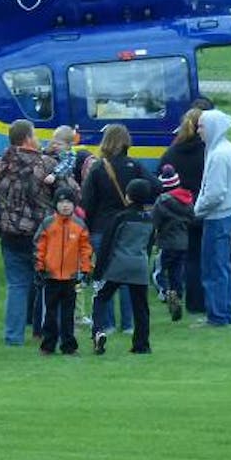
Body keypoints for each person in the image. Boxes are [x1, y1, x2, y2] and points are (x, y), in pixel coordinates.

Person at [79, 123, 153, 335]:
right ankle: (128, 324)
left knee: (105, 277)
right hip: (130, 225)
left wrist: (89, 226)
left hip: (102, 227)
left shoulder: (99, 167)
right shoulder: (135, 165)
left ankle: (107, 323)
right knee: (129, 276)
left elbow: (87, 201)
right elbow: (155, 185)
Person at [0, 118, 57, 346]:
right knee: (49, 285)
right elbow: (71, 192)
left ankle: (13, 336)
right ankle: (48, 333)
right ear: (28, 138)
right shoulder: (46, 164)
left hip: (10, 233)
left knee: (17, 286)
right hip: (41, 233)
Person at [91, 178, 157, 354]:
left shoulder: (120, 217)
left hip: (117, 265)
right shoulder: (149, 219)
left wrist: (98, 271)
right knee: (141, 307)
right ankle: (142, 344)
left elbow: (107, 244)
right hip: (140, 266)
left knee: (101, 298)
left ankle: (98, 331)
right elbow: (150, 244)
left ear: (128, 196)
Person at [193, 109, 231, 328]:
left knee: (214, 267)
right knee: (222, 266)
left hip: (217, 217)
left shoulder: (219, 154)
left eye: (201, 126)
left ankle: (218, 315)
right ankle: (224, 311)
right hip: (225, 215)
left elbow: (214, 193)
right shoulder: (224, 149)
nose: (198, 130)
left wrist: (196, 210)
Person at [34, 186, 92, 355]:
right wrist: (40, 267)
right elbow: (39, 247)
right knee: (50, 314)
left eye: (68, 202)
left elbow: (85, 249)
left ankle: (69, 346)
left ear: (74, 205)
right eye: (61, 202)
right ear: (55, 204)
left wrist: (86, 269)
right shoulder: (48, 223)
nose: (65, 206)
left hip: (71, 276)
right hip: (51, 276)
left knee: (68, 314)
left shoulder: (79, 225)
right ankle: (48, 345)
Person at [161, 106, 208, 315]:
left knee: (177, 257)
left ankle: (174, 290)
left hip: (175, 209)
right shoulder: (207, 151)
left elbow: (160, 178)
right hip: (200, 208)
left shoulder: (172, 152)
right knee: (198, 257)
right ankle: (197, 302)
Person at [151, 165, 196, 321]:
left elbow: (154, 221)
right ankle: (177, 294)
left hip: (166, 243)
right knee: (177, 271)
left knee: (158, 272)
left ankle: (166, 293)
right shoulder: (188, 200)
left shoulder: (161, 202)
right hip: (183, 243)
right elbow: (192, 219)